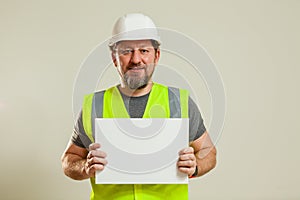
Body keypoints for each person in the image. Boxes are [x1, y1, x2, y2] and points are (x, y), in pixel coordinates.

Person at [61, 13, 217, 200]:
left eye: (144, 51)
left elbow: (209, 153)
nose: (136, 59)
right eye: (126, 51)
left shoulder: (179, 102)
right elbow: (68, 160)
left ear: (156, 55)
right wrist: (85, 167)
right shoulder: (94, 105)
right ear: (114, 58)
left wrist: (196, 166)